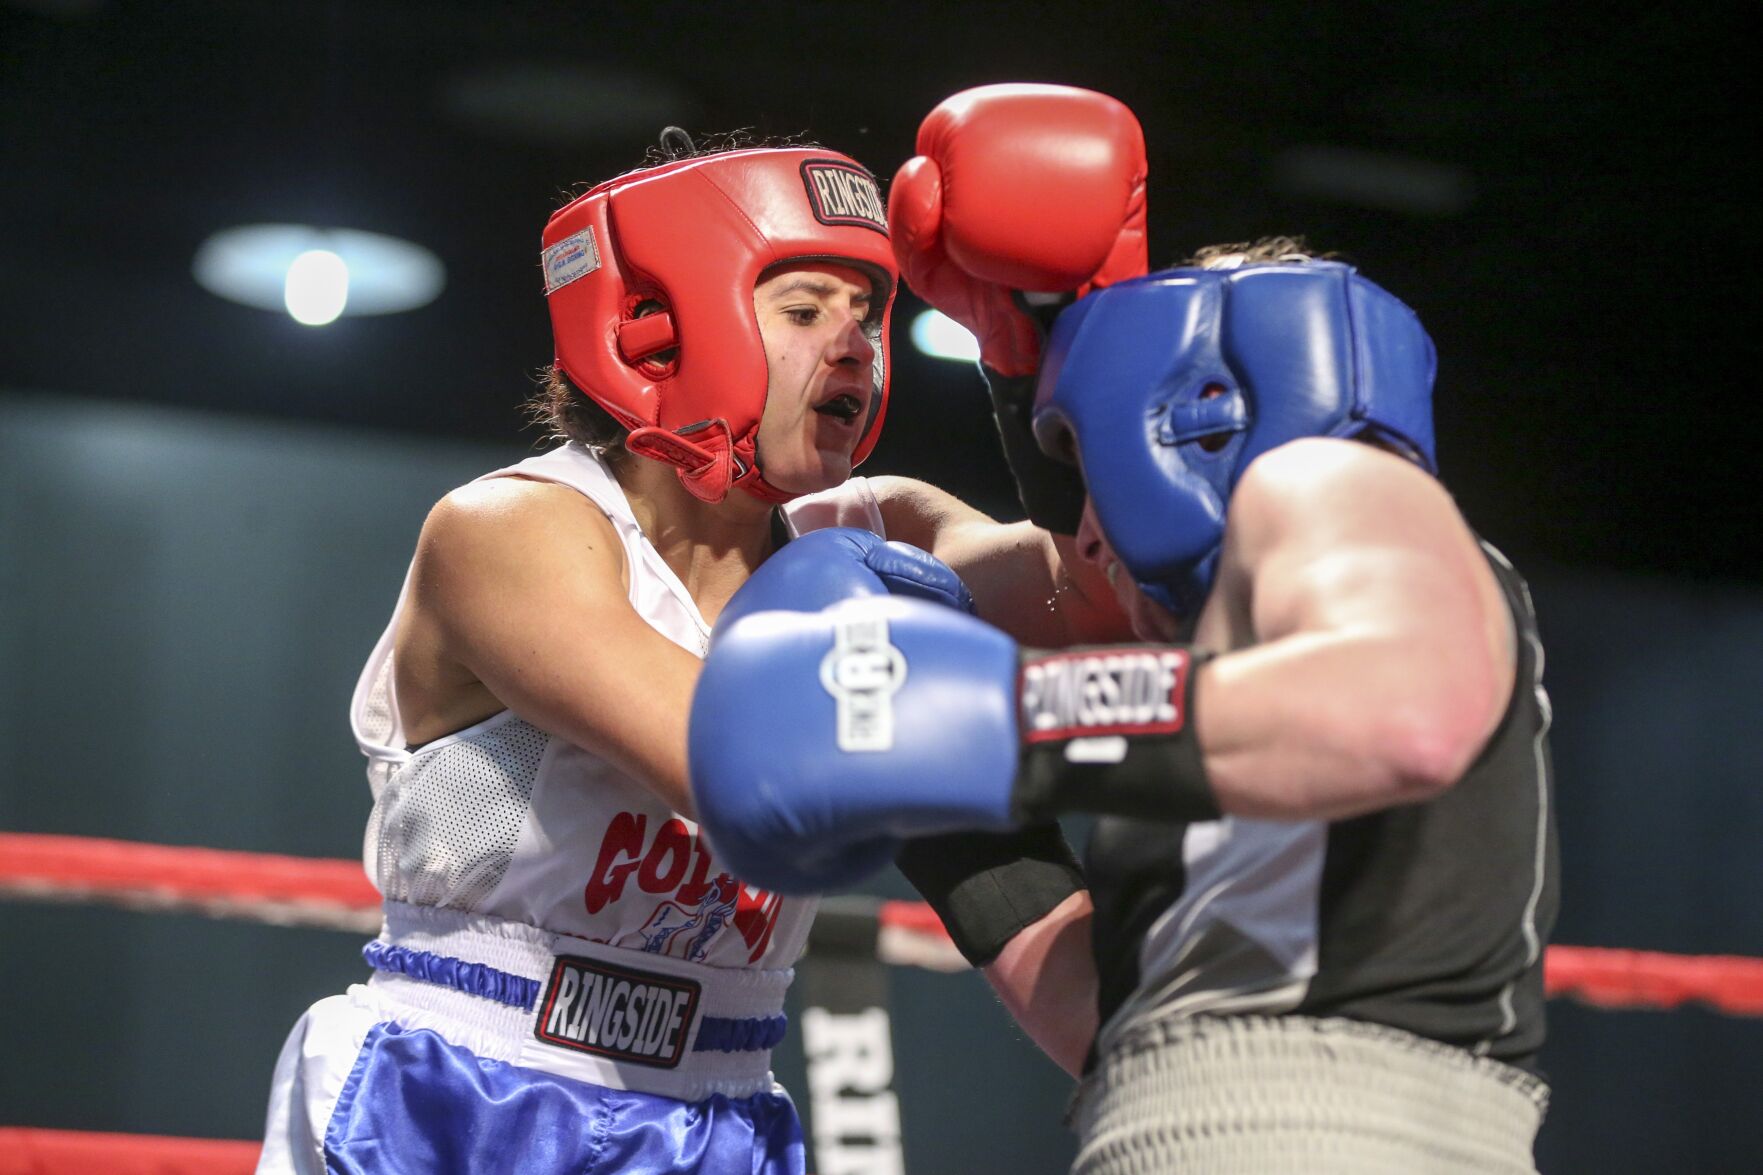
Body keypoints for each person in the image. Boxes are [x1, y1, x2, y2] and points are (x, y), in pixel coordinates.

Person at [255, 108, 1145, 1175]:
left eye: (866, 310)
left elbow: (1103, 597)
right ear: (654, 327)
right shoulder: (513, 530)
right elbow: (743, 767)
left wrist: (1047, 353)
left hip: (722, 1104)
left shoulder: (876, 530)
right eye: (806, 306)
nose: (853, 340)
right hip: (467, 1093)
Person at [688, 97, 1560, 1173]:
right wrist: (945, 815)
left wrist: (987, 720)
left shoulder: (1329, 480)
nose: (1080, 537)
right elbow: (1115, 1026)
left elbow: (1405, 707)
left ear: (1203, 420)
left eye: (1086, 463)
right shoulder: (1231, 713)